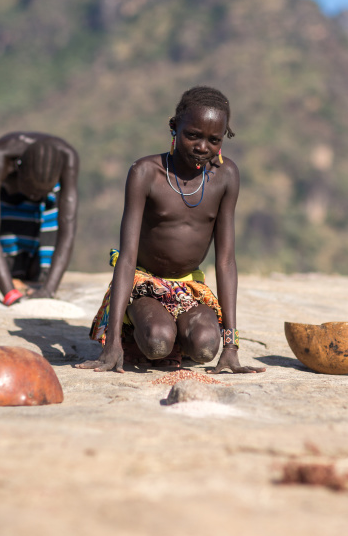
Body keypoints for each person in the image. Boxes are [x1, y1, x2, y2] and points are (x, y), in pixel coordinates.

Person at [76, 86, 266, 374]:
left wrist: (231, 345)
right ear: (174, 127)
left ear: (223, 140)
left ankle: (172, 336)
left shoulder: (226, 176)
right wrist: (110, 342)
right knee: (157, 343)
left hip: (189, 287)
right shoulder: (146, 173)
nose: (202, 147)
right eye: (193, 135)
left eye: (213, 140)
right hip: (143, 286)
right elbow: (126, 257)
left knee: (205, 348)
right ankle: (131, 334)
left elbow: (226, 260)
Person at [0, 131, 79, 306]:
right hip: (9, 196)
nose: (35, 197)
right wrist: (9, 293)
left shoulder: (68, 157)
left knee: (42, 268)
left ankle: (39, 280)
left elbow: (67, 231)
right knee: (9, 259)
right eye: (32, 191)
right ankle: (10, 278)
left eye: (40, 193)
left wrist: (48, 290)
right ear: (18, 169)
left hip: (50, 199)